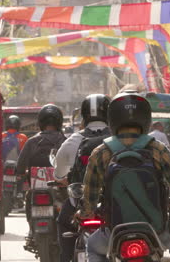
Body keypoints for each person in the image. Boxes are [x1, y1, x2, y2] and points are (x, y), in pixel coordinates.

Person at [80, 93, 170, 262]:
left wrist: (85, 212)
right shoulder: (158, 149)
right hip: (158, 231)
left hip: (114, 233)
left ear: (113, 120)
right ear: (146, 119)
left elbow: (90, 194)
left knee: (93, 247)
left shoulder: (101, 152)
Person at [53, 94, 111, 262]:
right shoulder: (117, 140)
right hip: (111, 206)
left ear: (84, 115)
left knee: (63, 221)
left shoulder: (73, 140)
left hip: (79, 204)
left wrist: (63, 178)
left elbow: (58, 173)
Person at [16, 104, 66, 243]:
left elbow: (20, 166)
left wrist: (21, 173)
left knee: (29, 201)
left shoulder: (31, 141)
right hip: (61, 188)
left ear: (40, 122)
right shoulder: (65, 141)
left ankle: (31, 230)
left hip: (36, 189)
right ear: (59, 122)